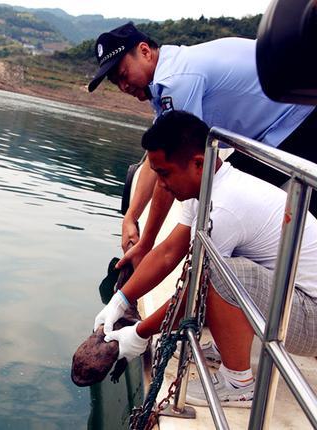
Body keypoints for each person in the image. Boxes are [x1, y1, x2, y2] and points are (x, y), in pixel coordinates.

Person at [94, 111, 317, 407]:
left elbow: (196, 292)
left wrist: (139, 332)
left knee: (220, 272)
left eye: (164, 173)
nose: (160, 184)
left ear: (198, 163)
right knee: (216, 269)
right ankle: (228, 347)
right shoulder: (206, 187)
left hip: (310, 317)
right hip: (290, 303)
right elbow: (169, 252)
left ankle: (239, 384)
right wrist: (120, 300)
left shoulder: (224, 208)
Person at [88, 22, 317, 268]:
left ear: (145, 51)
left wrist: (146, 244)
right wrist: (131, 217)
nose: (124, 87)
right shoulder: (170, 72)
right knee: (218, 192)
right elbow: (154, 158)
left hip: (301, 119)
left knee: (223, 197)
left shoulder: (177, 80)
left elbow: (170, 165)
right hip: (277, 126)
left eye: (123, 75)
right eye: (116, 82)